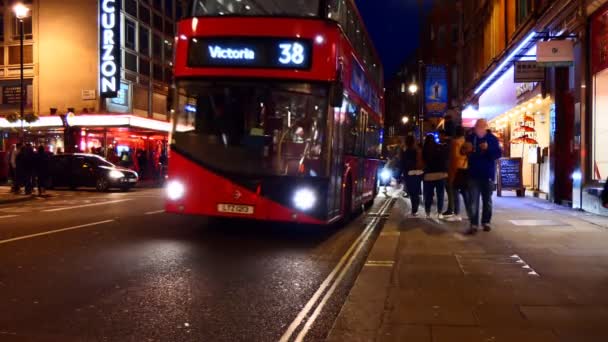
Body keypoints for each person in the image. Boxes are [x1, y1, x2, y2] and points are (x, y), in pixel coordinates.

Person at [463, 119, 502, 234]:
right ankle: (474, 224)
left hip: (487, 175)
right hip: (473, 174)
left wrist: (487, 149)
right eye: (476, 126)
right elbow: (463, 152)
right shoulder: (470, 138)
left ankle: (486, 222)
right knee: (473, 201)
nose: (478, 128)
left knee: (487, 200)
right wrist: (465, 149)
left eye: (480, 126)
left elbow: (497, 154)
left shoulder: (492, 139)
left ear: (485, 127)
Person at [444, 126, 469, 221]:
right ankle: (470, 213)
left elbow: (454, 158)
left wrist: (451, 174)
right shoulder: (466, 142)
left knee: (454, 192)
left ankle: (457, 213)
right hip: (465, 168)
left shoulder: (455, 143)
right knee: (465, 193)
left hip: (456, 170)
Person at [422, 133, 449, 219]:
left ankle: (427, 212)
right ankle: (439, 213)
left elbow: (423, 161)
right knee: (440, 194)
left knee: (428, 195)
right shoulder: (440, 147)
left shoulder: (424, 149)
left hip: (428, 175)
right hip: (440, 174)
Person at [401, 136, 424, 217]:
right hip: (418, 173)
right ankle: (415, 210)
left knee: (411, 193)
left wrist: (401, 175)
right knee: (416, 192)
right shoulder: (417, 151)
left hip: (409, 173)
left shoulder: (405, 151)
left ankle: (414, 210)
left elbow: (403, 164)